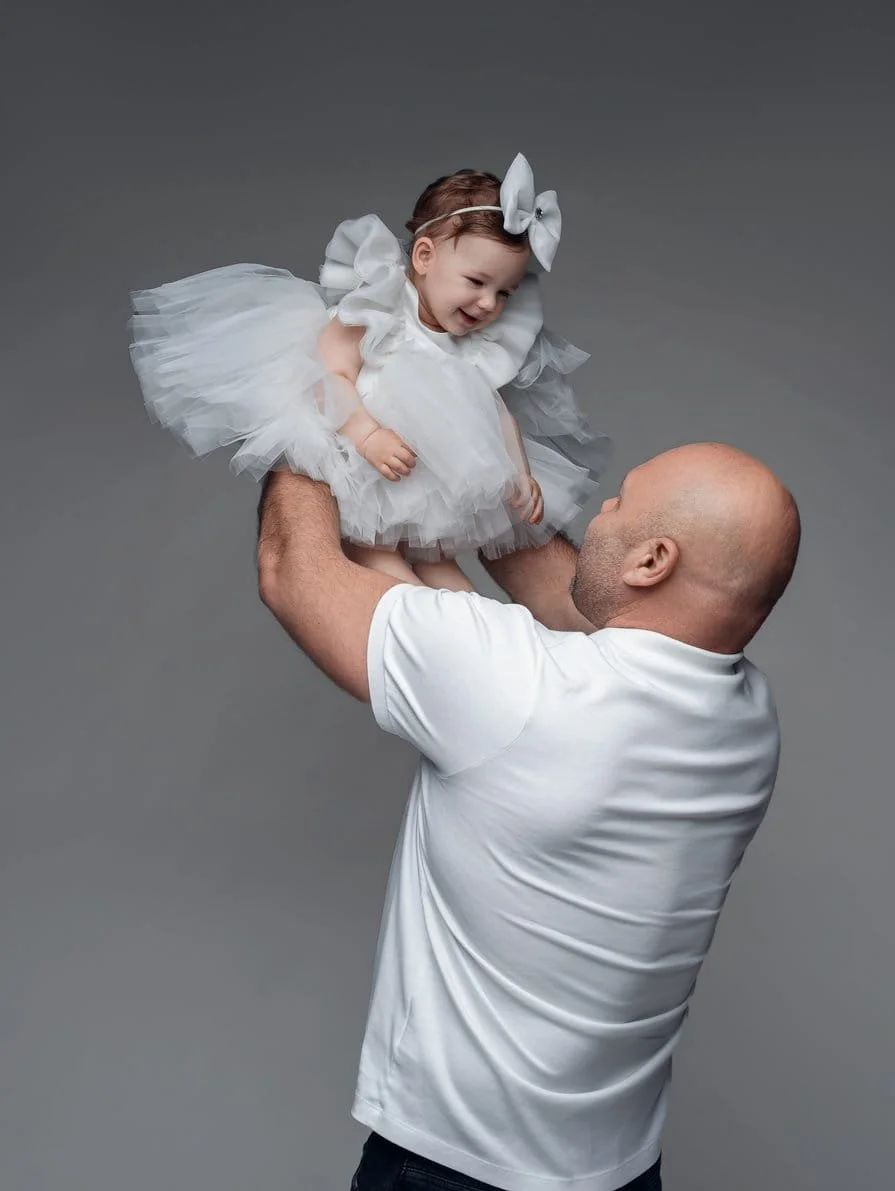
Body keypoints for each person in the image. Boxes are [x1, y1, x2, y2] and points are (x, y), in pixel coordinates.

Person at [255, 441, 801, 1191]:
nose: (600, 508)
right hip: (618, 1172)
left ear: (653, 560)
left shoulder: (524, 688)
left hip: (452, 1170)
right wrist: (461, 437)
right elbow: (570, 592)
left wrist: (309, 414)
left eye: (620, 502)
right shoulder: (749, 722)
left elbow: (292, 567)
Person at [129, 153, 609, 593]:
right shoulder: (380, 305)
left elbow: (495, 409)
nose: (488, 303)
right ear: (424, 257)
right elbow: (325, 376)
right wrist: (367, 434)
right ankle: (410, 610)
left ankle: (473, 634)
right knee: (389, 571)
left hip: (428, 482)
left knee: (454, 588)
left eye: (504, 293)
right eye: (477, 282)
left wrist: (519, 473)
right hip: (364, 463)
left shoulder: (475, 343)